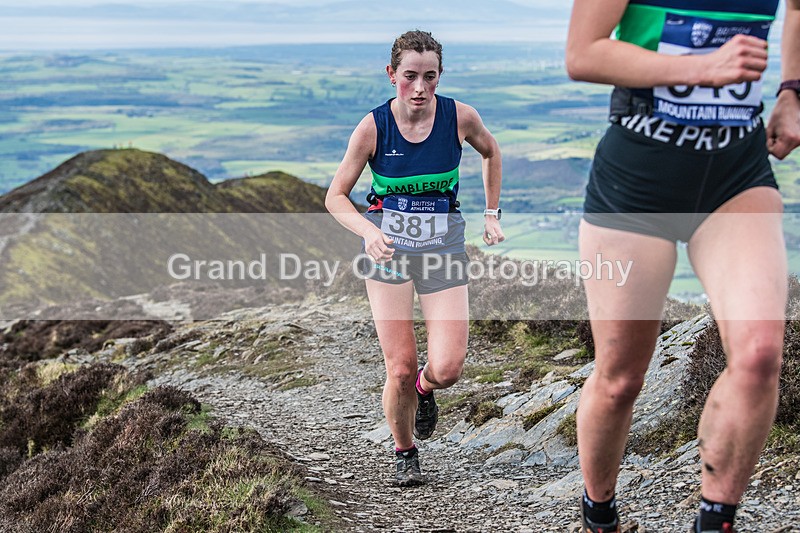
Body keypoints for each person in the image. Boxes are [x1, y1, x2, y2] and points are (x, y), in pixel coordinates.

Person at [566, 0, 800, 531]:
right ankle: (599, 515)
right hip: (635, 185)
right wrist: (703, 67)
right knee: (621, 378)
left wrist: (792, 91)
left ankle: (715, 521)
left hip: (736, 174)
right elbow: (582, 54)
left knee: (760, 355)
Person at [325, 30, 504, 486]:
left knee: (448, 368)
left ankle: (425, 389)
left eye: (430, 76)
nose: (420, 87)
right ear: (392, 75)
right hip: (388, 251)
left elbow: (491, 151)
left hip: (443, 247)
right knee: (400, 366)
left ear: (440, 75)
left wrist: (491, 213)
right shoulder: (373, 128)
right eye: (410, 76)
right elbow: (335, 196)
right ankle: (405, 451)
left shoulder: (460, 117)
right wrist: (369, 231)